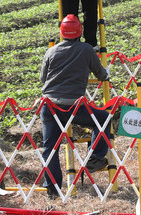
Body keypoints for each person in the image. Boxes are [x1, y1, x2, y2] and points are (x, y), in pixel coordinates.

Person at [39, 14, 112, 195]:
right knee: (103, 118)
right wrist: (104, 73)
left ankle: (53, 190)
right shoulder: (87, 50)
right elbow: (102, 75)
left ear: (61, 33)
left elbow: (42, 79)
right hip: (74, 106)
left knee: (50, 148)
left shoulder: (51, 51)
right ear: (80, 32)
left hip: (50, 105)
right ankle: (95, 157)